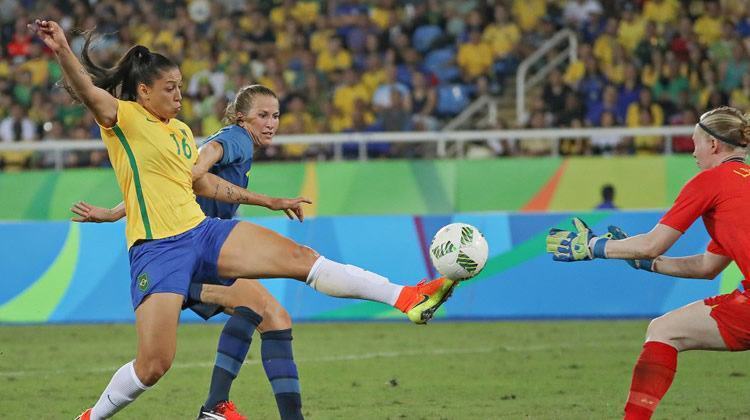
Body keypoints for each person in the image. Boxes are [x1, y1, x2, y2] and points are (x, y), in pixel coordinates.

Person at [28, 20, 456, 420]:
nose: (179, 96)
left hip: (202, 233)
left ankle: (407, 298)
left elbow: (199, 185)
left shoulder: (178, 132)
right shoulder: (123, 119)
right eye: (170, 88)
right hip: (157, 251)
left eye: (180, 87)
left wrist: (267, 201)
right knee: (154, 365)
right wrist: (63, 48)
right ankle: (93, 416)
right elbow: (86, 89)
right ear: (143, 91)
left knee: (299, 258)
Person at [71, 85, 308, 420]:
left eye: (276, 116)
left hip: (196, 253)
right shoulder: (237, 139)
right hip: (186, 254)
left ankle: (216, 405)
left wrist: (113, 213)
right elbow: (193, 170)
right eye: (263, 115)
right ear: (242, 117)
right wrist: (200, 174)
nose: (271, 123)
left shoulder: (236, 142)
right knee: (257, 315)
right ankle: (215, 404)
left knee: (270, 315)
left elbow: (167, 182)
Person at [546, 106, 750, 420]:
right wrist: (649, 264)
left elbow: (652, 243)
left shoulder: (710, 181)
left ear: (714, 145)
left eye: (695, 141)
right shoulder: (741, 187)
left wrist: (592, 246)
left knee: (664, 330)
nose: (692, 151)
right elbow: (708, 266)